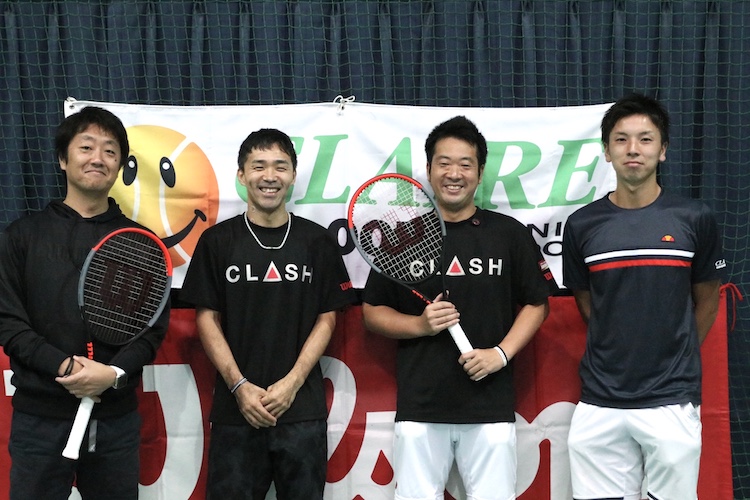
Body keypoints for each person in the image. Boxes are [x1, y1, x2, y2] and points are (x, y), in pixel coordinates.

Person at [361, 115, 558, 500]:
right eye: (444, 163)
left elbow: (538, 304)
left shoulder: (508, 234)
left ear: (480, 173)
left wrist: (500, 354)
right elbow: (372, 312)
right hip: (421, 409)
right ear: (429, 170)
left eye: (465, 164)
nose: (454, 174)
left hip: (490, 408)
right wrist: (419, 325)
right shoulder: (404, 235)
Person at [0, 106, 169, 499]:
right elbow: (8, 322)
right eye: (86, 147)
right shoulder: (21, 236)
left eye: (110, 151)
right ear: (63, 159)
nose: (98, 158)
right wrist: (66, 367)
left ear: (120, 166)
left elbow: (150, 331)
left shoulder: (140, 242)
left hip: (115, 422)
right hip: (39, 421)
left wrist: (111, 374)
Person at [562, 93, 725, 500]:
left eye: (645, 139)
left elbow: (708, 299)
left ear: (663, 150)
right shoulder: (581, 225)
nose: (633, 149)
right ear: (606, 151)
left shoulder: (695, 218)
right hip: (600, 400)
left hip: (671, 400)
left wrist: (677, 354)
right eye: (621, 139)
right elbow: (588, 302)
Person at [180, 128, 356, 499]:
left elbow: (328, 318)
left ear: (293, 175)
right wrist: (240, 386)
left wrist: (291, 383)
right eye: (258, 166)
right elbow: (206, 318)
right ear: (241, 175)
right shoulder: (217, 242)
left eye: (280, 166)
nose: (269, 176)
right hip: (236, 411)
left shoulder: (317, 241)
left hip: (301, 412)